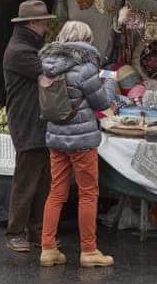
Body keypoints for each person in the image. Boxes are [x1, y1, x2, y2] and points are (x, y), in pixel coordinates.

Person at [38, 21, 115, 268]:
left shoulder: (47, 66)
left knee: (57, 191)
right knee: (88, 193)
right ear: (86, 40)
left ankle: (48, 248)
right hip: (81, 139)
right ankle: (89, 251)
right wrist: (111, 83)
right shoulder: (85, 68)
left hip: (56, 136)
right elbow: (101, 103)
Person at [2, 0, 56, 252]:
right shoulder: (21, 51)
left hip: (36, 121)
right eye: (44, 22)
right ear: (33, 23)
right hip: (27, 122)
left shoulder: (27, 46)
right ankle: (15, 232)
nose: (46, 26)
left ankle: (35, 230)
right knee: (26, 181)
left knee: (42, 180)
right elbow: (50, 72)